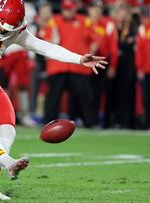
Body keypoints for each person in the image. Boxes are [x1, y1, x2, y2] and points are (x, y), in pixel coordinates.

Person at [0, 0, 107, 200]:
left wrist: (78, 59)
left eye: (7, 30)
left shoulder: (15, 29)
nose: (2, 32)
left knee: (8, 127)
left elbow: (45, 48)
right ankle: (7, 161)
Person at [43, 0, 99, 128]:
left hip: (78, 66)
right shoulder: (54, 21)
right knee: (53, 95)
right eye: (65, 9)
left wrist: (90, 54)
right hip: (58, 65)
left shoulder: (85, 21)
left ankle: (89, 122)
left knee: (84, 95)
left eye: (69, 9)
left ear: (74, 8)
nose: (67, 12)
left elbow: (95, 40)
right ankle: (48, 122)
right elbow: (47, 40)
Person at [136, 2, 150, 129]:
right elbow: (139, 50)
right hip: (148, 69)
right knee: (148, 98)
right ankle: (149, 123)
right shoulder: (144, 28)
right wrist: (140, 67)